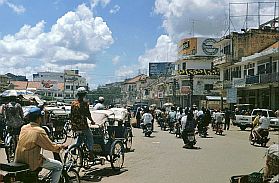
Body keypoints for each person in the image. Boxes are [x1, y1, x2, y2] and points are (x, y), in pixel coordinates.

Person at [15, 107, 67, 183]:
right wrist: (60, 146)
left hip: (19, 159)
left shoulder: (24, 128)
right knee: (58, 166)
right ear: (38, 118)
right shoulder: (39, 131)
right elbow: (50, 147)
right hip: (31, 162)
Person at [70, 87, 95, 159]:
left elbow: (71, 114)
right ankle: (90, 151)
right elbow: (88, 115)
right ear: (84, 95)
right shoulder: (85, 104)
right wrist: (92, 121)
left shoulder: (73, 103)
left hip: (74, 125)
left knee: (80, 137)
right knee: (90, 136)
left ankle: (74, 148)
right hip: (83, 125)